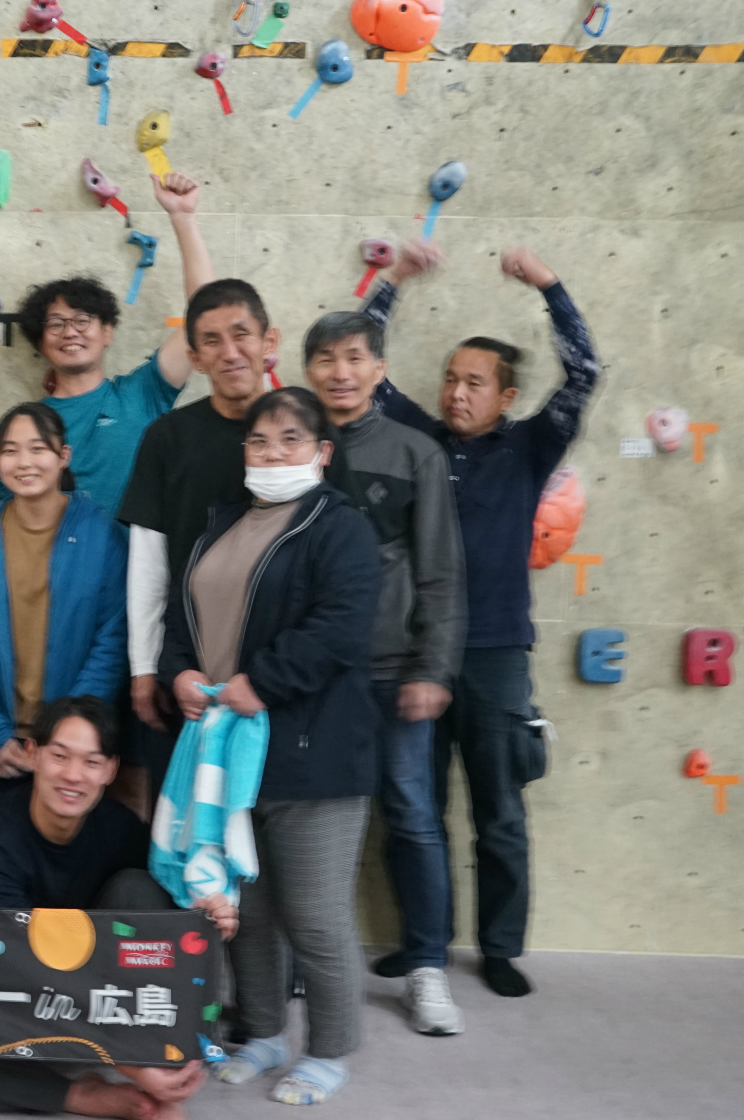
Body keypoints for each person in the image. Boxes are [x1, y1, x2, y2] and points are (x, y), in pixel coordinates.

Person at [362, 245, 601, 1000]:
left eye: (474, 383)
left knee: (499, 812)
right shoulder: (417, 438)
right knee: (414, 808)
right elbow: (363, 370)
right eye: (450, 379)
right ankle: (422, 945)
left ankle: (499, 948)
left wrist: (550, 286)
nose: (456, 393)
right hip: (417, 654)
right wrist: (393, 282)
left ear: (505, 396)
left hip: (497, 656)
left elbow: (585, 372)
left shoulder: (529, 447)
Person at [160, 388, 382, 1107]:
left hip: (312, 753)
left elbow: (343, 627)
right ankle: (262, 1034)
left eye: (290, 439)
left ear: (322, 452)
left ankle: (329, 1050)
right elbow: (182, 618)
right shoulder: (221, 521)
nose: (272, 453)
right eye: (259, 440)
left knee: (314, 914)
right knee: (246, 910)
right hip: (225, 752)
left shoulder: (340, 527)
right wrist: (178, 671)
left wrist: (264, 681)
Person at [0, 696, 236, 1119]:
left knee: (141, 890)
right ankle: (79, 1095)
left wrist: (207, 918)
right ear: (32, 754)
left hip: (99, 1001)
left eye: (91, 762)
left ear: (110, 770)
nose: (73, 776)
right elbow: (20, 968)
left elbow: (174, 924)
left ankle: (150, 1055)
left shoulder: (122, 829)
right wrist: (127, 1064)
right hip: (6, 1000)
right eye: (60, 756)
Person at [302, 309, 468, 1037]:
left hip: (395, 670)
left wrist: (433, 668)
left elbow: (440, 572)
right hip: (310, 675)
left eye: (354, 358)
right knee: (306, 818)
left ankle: (427, 967)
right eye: (325, 359)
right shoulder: (292, 446)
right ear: (307, 370)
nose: (340, 372)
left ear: (379, 369)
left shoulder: (414, 452)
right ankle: (305, 961)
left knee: (412, 815)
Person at [118, 278, 279, 797]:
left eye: (241, 334)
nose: (230, 352)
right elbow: (149, 561)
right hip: (188, 675)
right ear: (195, 357)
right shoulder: (167, 438)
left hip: (280, 673)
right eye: (212, 341)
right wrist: (145, 669)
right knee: (186, 820)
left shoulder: (304, 434)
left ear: (269, 341)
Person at [0, 403, 127, 837]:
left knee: (57, 866)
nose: (24, 462)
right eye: (10, 451)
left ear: (63, 456)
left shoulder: (103, 536)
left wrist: (62, 744)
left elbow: (111, 641)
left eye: (37, 449)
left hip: (68, 757)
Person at [0, 171, 217, 518]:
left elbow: (207, 312)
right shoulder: (25, 427)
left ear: (107, 332)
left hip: (137, 554)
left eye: (83, 320)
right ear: (40, 342)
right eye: (56, 324)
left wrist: (183, 217)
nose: (70, 332)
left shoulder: (142, 393)